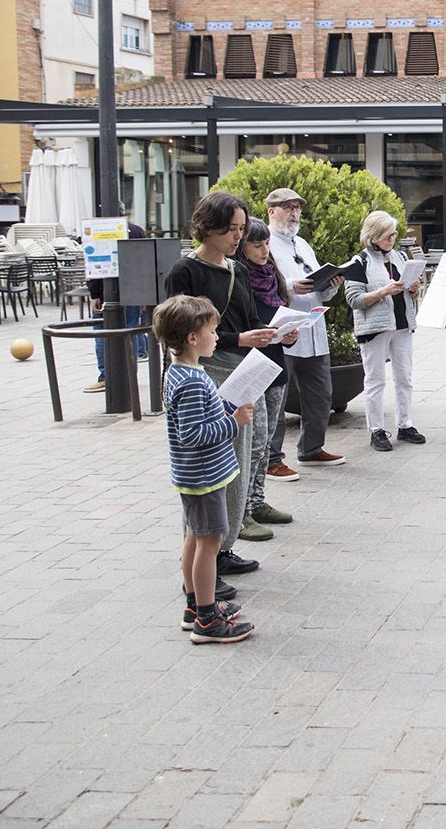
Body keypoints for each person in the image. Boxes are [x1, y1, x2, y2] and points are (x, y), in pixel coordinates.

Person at [164, 190, 296, 579]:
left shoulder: (237, 269)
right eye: (231, 230)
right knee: (212, 468)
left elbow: (249, 319)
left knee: (244, 457)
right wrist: (239, 339)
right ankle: (203, 562)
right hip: (209, 372)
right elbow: (180, 331)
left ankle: (224, 546)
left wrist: (275, 333)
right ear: (208, 227)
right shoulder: (185, 272)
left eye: (241, 229)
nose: (239, 236)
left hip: (244, 371)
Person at [153, 293, 255, 644]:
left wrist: (223, 409)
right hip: (205, 476)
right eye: (212, 331)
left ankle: (194, 607)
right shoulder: (193, 381)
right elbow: (193, 434)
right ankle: (208, 620)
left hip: (195, 475)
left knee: (194, 538)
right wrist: (234, 421)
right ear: (192, 337)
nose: (216, 336)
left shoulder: (180, 371)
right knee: (209, 543)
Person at [266, 187, 345, 472]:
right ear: (271, 211)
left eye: (297, 208)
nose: (294, 213)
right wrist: (290, 286)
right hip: (285, 331)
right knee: (277, 397)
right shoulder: (265, 244)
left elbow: (318, 289)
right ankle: (271, 458)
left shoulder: (303, 244)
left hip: (312, 329)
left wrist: (331, 286)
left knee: (321, 394)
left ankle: (311, 449)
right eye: (288, 207)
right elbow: (260, 285)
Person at [342, 211, 425, 452]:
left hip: (402, 325)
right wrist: (382, 292)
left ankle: (405, 424)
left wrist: (413, 288)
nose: (392, 238)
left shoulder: (400, 256)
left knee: (404, 377)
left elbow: (409, 292)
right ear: (374, 235)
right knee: (375, 379)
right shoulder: (359, 262)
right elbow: (354, 299)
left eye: (394, 234)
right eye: (387, 235)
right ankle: (376, 429)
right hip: (375, 328)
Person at [235, 220, 296, 538]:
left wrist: (290, 334)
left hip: (276, 363)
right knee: (254, 442)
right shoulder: (239, 277)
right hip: (251, 365)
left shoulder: (272, 275)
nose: (264, 251)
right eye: (257, 245)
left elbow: (278, 314)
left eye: (267, 244)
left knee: (268, 439)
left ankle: (257, 502)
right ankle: (241, 512)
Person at [83, 220, 150, 394]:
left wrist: (94, 294)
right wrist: (143, 293)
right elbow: (145, 262)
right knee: (131, 332)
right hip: (133, 291)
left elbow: (93, 264)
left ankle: (106, 377)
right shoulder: (136, 230)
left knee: (102, 332)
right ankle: (129, 377)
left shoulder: (98, 229)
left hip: (106, 292)